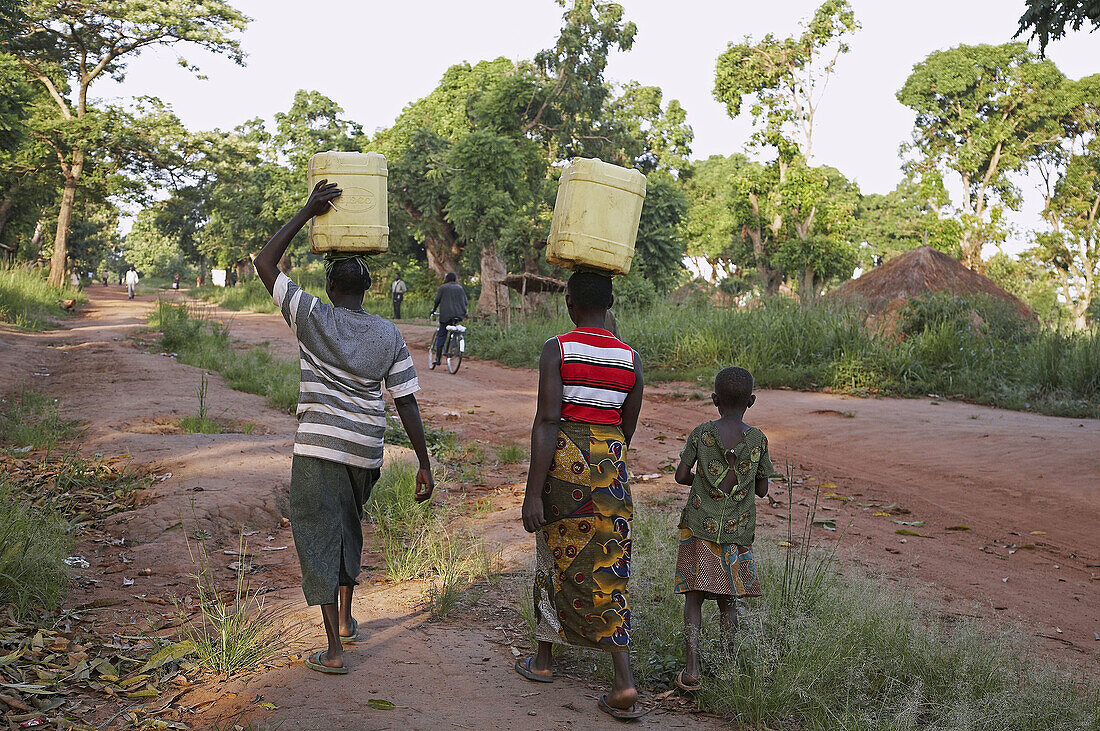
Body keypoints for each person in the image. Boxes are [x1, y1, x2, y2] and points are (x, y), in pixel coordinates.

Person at [253, 179, 435, 675]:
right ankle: (350, 619)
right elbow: (407, 403)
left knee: (318, 538)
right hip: (364, 455)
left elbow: (264, 263)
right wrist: (423, 463)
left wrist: (307, 211)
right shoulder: (388, 333)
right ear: (369, 289)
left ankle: (333, 650)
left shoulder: (313, 317)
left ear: (331, 288)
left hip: (319, 451)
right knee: (348, 529)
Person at [516, 270, 645, 721]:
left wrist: (533, 494)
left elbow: (547, 422)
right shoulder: (631, 358)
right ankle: (623, 682)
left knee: (555, 558)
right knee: (610, 568)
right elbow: (626, 429)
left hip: (564, 468)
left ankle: (545, 661)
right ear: (610, 305)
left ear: (569, 303)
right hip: (609, 467)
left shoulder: (558, 348)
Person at [671, 366, 773, 692]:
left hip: (699, 526)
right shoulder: (757, 440)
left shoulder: (701, 434)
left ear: (715, 400)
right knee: (728, 602)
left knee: (694, 599)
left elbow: (681, 476)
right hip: (737, 532)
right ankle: (727, 669)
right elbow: (762, 490)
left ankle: (691, 670)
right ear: (752, 401)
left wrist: (700, 479)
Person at [430, 272, 467, 366]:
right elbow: (465, 302)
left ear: (447, 279)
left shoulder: (443, 287)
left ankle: (438, 358)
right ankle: (454, 346)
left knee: (441, 335)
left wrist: (433, 310)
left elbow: (437, 301)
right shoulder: (460, 288)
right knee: (454, 328)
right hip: (459, 316)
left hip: (445, 316)